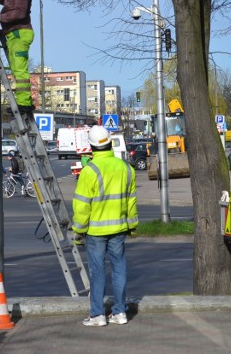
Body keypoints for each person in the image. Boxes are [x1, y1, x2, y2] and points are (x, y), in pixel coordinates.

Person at [72, 126, 138, 327]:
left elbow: (82, 206)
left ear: (91, 147)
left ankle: (98, 316)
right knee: (119, 269)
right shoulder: (126, 168)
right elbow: (131, 201)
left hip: (95, 232)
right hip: (119, 229)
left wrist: (78, 231)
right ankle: (120, 313)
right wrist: (132, 225)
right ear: (110, 142)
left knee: (97, 272)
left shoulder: (89, 171)